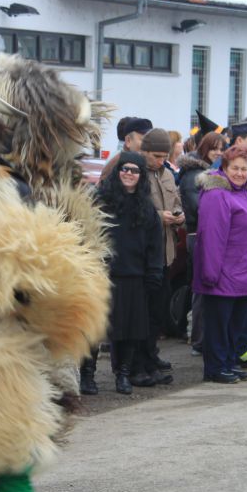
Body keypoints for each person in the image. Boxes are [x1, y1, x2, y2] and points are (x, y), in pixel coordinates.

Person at [85, 152, 163, 394]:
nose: (129, 174)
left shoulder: (147, 209)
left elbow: (155, 245)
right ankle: (87, 377)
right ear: (117, 171)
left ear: (141, 175)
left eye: (135, 170)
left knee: (128, 330)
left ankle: (123, 375)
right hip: (102, 275)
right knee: (94, 330)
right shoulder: (100, 201)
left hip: (134, 276)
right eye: (125, 169)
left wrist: (153, 273)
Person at [194, 145, 247, 383]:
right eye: (234, 168)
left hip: (244, 273)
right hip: (223, 273)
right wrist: (210, 274)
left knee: (235, 324)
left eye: (244, 169)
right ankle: (215, 367)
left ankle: (228, 362)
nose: (239, 173)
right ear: (224, 168)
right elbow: (212, 238)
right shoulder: (217, 195)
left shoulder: (244, 192)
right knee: (219, 324)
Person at [138, 128, 181, 385]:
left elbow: (177, 201)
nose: (160, 161)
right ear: (144, 152)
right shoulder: (135, 172)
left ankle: (152, 356)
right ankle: (140, 361)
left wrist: (178, 215)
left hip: (166, 253)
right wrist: (157, 217)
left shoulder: (167, 174)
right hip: (144, 255)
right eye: (155, 155)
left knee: (158, 311)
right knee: (143, 313)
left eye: (164, 156)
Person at [180, 131, 224, 357]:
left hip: (206, 235)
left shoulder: (211, 172)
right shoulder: (194, 175)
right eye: (214, 147)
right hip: (198, 235)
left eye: (221, 148)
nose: (218, 152)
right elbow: (200, 209)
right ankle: (198, 338)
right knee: (201, 289)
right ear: (204, 148)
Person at [100, 117, 153, 182]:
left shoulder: (152, 163)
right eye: (144, 140)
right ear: (128, 141)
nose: (149, 144)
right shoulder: (116, 162)